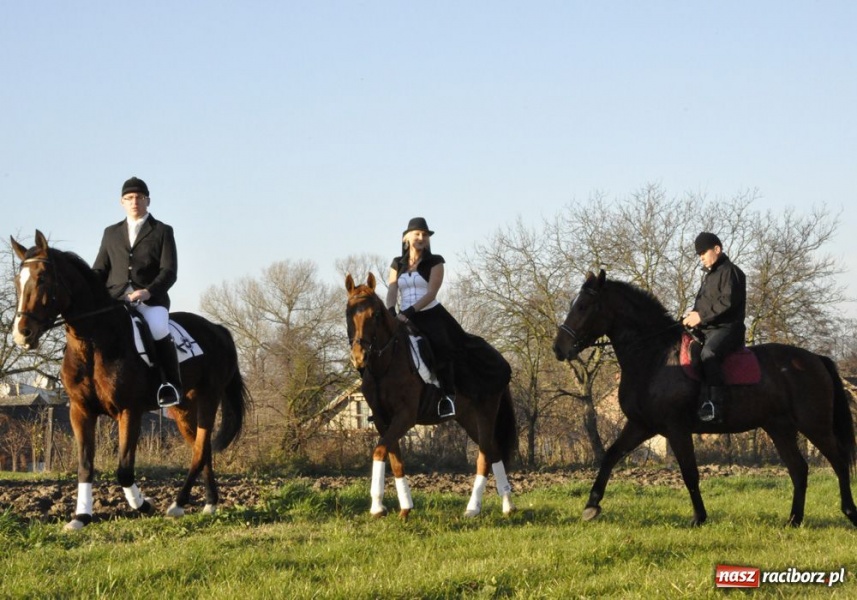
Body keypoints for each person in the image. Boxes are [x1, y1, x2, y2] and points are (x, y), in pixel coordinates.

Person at [92, 176, 182, 407]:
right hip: (116, 299)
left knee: (159, 328)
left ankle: (169, 384)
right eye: (129, 198)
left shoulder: (162, 230)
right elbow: (100, 269)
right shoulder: (110, 233)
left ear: (148, 201)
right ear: (122, 202)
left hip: (150, 300)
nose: (135, 202)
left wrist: (147, 292)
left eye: (139, 197)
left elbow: (169, 270)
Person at [682, 232, 746, 423]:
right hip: (709, 328)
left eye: (703, 252)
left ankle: (714, 405)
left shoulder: (732, 272)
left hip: (728, 329)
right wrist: (690, 316)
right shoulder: (709, 276)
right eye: (698, 254)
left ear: (717, 249)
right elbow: (703, 305)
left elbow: (727, 303)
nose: (700, 256)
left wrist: (701, 316)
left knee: (708, 354)